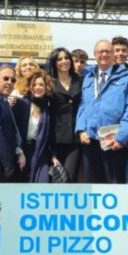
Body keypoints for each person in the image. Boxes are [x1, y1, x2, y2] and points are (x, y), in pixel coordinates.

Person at [75, 39, 128, 183]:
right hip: (90, 140)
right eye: (100, 52)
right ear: (95, 55)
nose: (104, 54)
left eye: (108, 51)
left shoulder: (127, 77)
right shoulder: (88, 77)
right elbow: (83, 105)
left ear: (113, 54)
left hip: (113, 141)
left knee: (113, 186)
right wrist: (81, 129)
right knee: (92, 186)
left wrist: (122, 137)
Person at [15, 71, 60, 183]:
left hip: (41, 153)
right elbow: (13, 131)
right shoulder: (21, 104)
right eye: (34, 84)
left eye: (41, 85)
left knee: (42, 184)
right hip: (22, 151)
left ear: (46, 87)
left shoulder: (49, 109)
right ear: (29, 87)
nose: (37, 87)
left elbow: (51, 136)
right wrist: (19, 152)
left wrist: (53, 156)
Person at [47, 48, 82, 183]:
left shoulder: (80, 81)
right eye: (59, 59)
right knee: (56, 178)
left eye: (66, 58)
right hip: (55, 138)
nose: (64, 61)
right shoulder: (49, 82)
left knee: (69, 178)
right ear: (54, 63)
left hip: (75, 139)